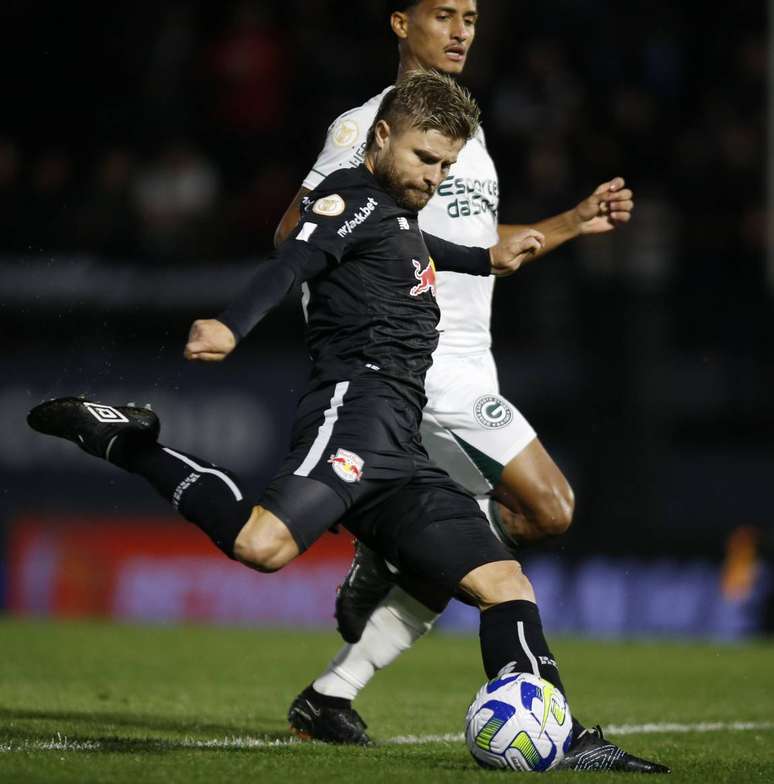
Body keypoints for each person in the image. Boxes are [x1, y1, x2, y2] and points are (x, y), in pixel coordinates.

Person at [28, 73, 652, 774]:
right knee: (262, 548)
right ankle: (130, 442)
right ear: (382, 136)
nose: (434, 176)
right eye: (424, 157)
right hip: (353, 415)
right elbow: (292, 259)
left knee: (504, 583)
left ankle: (562, 737)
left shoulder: (393, 213)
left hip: (403, 443)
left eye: (446, 165)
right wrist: (232, 327)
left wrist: (486, 257)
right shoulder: (347, 198)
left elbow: (411, 244)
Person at [276, 2, 662, 773]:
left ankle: (335, 690)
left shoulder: (465, 129)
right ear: (397, 22)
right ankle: (552, 719)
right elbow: (295, 233)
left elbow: (478, 248)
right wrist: (363, 314)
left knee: (472, 545)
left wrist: (570, 221)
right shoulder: (365, 129)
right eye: (443, 14)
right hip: (424, 365)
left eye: (473, 17)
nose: (461, 31)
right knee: (549, 505)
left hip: (471, 359)